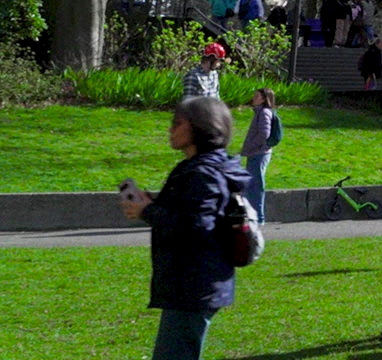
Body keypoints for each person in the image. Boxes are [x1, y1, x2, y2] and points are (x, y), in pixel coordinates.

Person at [118, 95, 250, 360]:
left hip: (194, 284)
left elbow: (196, 226)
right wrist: (154, 205)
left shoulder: (203, 173)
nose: (170, 129)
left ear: (200, 127)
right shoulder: (203, 168)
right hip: (195, 283)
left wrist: (147, 211)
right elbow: (191, 212)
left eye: (177, 123)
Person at [236, 88, 280, 224]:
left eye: (257, 96)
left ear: (264, 99)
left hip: (259, 154)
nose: (254, 98)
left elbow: (263, 135)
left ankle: (258, 218)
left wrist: (251, 147)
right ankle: (253, 217)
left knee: (255, 186)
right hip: (256, 153)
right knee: (252, 185)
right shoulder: (260, 112)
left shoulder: (264, 113)